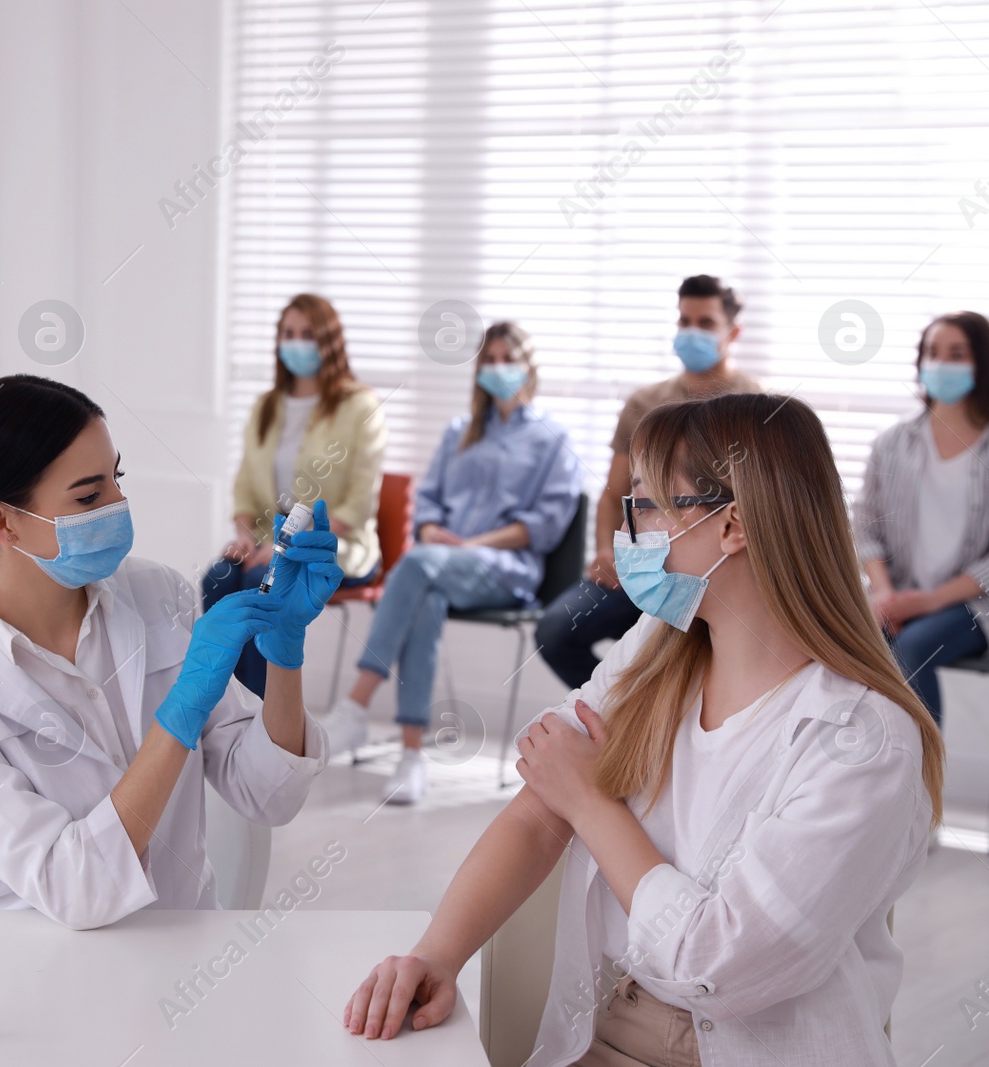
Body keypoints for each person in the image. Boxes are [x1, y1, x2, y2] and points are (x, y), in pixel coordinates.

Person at [342, 392, 944, 1066]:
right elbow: (539, 811)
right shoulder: (656, 647)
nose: (629, 534)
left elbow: (717, 964)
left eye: (649, 506)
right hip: (613, 1026)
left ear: (733, 525)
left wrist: (590, 802)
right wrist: (436, 954)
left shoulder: (863, 740)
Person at [0, 375, 340, 928]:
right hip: (32, 968)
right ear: (1, 521)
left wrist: (285, 654)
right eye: (89, 496)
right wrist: (181, 710)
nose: (119, 506)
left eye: (116, 479)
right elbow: (77, 889)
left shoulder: (158, 594)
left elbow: (267, 796)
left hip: (182, 955)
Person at [316, 323, 581, 804]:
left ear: (528, 368)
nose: (498, 368)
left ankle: (356, 705)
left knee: (419, 568)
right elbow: (430, 501)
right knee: (427, 594)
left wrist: (474, 543)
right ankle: (412, 757)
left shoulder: (552, 439)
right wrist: (431, 531)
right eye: (490, 360)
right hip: (438, 566)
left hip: (505, 570)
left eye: (508, 358)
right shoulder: (460, 432)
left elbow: (546, 523)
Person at [536, 275, 760, 689]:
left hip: (706, 574)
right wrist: (607, 550)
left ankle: (656, 717)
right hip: (638, 565)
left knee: (673, 650)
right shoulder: (643, 404)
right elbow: (613, 494)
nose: (691, 332)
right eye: (684, 321)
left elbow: (753, 507)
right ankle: (626, 713)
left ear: (734, 332)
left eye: (705, 323)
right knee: (554, 632)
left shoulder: (751, 406)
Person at [855, 311, 989, 726]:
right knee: (839, 637)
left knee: (915, 646)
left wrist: (929, 602)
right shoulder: (892, 443)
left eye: (956, 354)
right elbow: (864, 522)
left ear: (982, 364)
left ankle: (922, 781)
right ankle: (856, 771)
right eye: (932, 353)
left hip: (978, 607)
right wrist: (884, 593)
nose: (940, 364)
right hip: (898, 595)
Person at [204, 293, 386, 697]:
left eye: (307, 334)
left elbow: (356, 505)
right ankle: (219, 703)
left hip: (334, 542)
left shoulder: (360, 407)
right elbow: (246, 490)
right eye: (288, 333)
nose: (297, 343)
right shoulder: (265, 407)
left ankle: (260, 715)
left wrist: (285, 546)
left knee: (260, 580)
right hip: (267, 540)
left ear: (328, 341)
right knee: (218, 578)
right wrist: (246, 535)